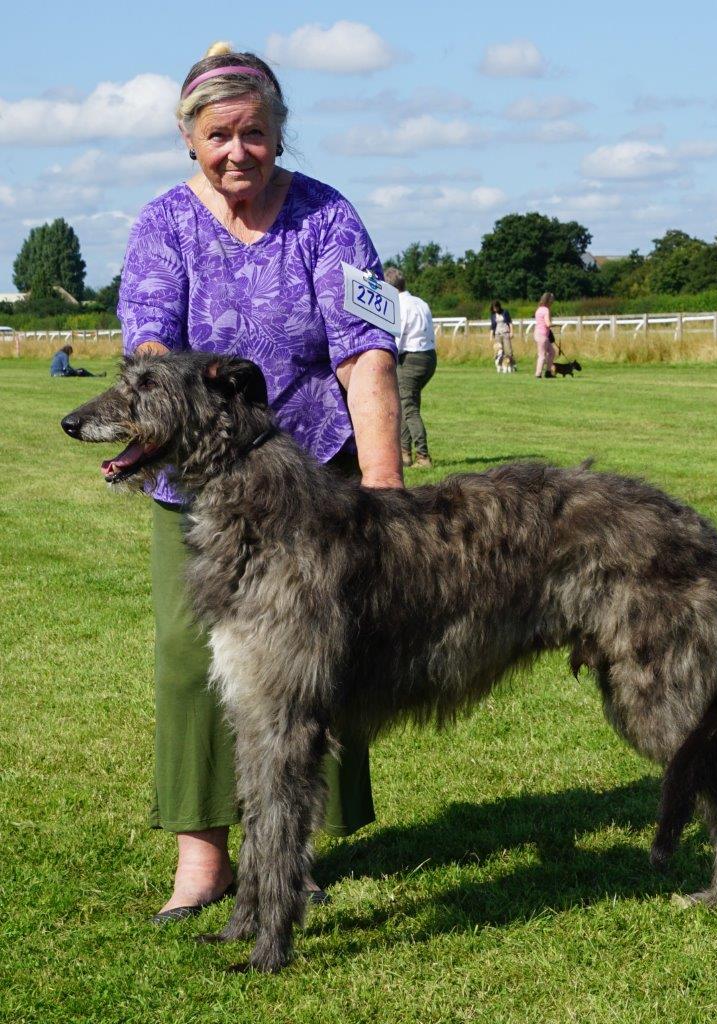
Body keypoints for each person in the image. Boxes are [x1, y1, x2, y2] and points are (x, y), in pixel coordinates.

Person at [116, 42, 403, 923]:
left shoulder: (329, 216)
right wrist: (170, 398)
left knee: (318, 668)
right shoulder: (161, 224)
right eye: (218, 135)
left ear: (280, 133)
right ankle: (203, 858)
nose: (237, 151)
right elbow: (150, 347)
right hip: (198, 490)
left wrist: (386, 490)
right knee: (185, 661)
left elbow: (366, 353)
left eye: (255, 134)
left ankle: (289, 858)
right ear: (189, 140)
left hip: (317, 477)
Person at [384, 267, 436, 468]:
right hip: (429, 356)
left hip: (411, 358)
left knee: (409, 407)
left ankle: (423, 456)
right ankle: (405, 454)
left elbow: (398, 335)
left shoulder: (399, 305)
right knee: (408, 404)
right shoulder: (420, 302)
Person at [533, 292, 556, 378]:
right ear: (549, 300)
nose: (553, 302)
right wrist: (556, 325)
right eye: (552, 300)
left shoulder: (539, 309)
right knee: (542, 355)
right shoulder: (546, 310)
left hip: (538, 334)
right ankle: (538, 374)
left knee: (552, 352)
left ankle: (548, 372)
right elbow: (548, 324)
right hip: (542, 335)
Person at [490, 300, 515, 372]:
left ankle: (512, 365)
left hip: (506, 333)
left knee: (509, 351)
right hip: (497, 334)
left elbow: (510, 322)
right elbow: (492, 326)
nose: (495, 309)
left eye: (496, 308)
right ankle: (501, 365)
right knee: (499, 352)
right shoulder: (493, 315)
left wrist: (511, 332)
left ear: (498, 307)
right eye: (493, 308)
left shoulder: (505, 312)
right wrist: (491, 336)